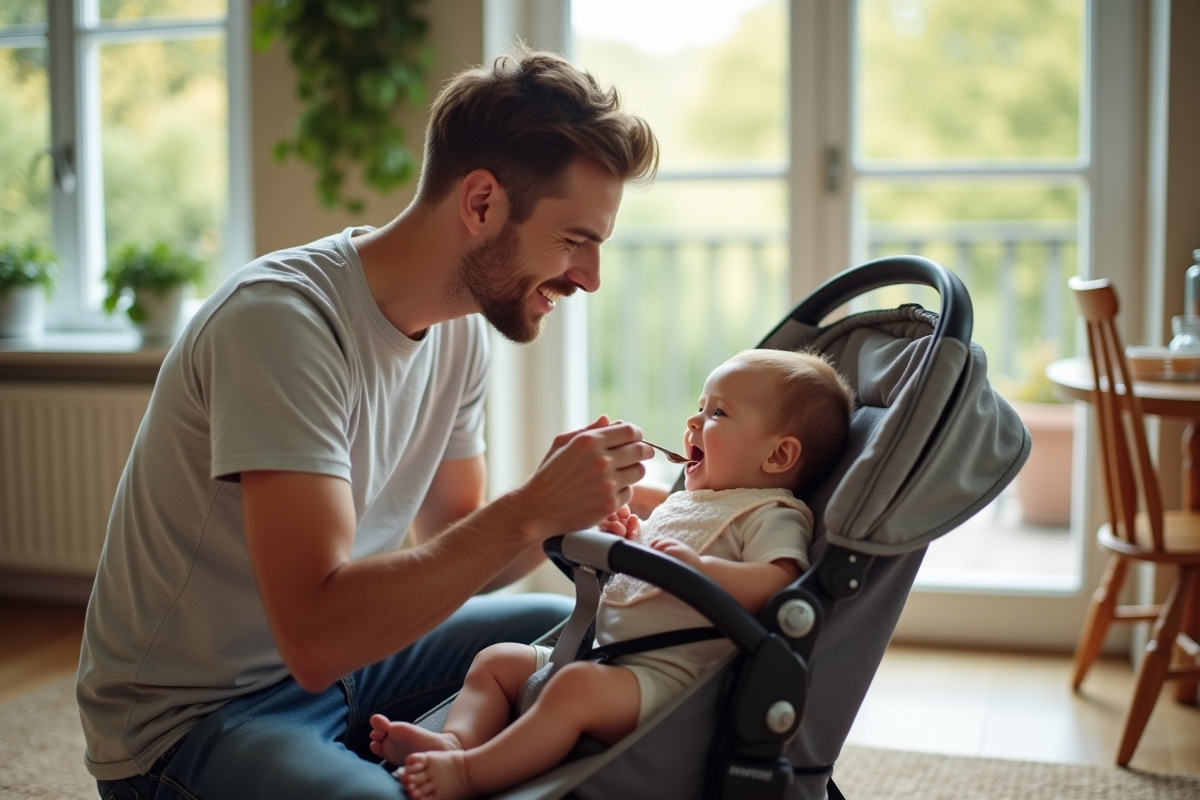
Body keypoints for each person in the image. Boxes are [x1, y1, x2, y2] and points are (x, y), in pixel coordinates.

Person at [76, 49, 660, 800]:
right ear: (481, 204)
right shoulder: (281, 323)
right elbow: (315, 637)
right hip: (194, 717)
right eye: (576, 239)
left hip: (353, 667)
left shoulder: (459, 333)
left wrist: (579, 516)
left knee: (577, 638)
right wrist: (530, 511)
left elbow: (458, 540)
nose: (589, 276)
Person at [370, 348, 855, 800]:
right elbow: (650, 570)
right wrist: (627, 538)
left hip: (669, 685)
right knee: (498, 662)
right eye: (700, 405)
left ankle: (469, 774)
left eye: (717, 413)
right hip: (605, 655)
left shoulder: (771, 512)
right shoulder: (691, 503)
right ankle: (455, 742)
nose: (693, 420)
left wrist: (702, 570)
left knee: (572, 690)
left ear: (778, 456)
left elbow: (781, 586)